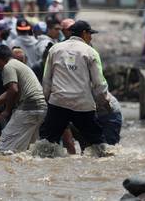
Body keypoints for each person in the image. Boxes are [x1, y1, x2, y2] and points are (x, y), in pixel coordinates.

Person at [40, 20, 110, 152]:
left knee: (46, 143)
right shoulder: (91, 52)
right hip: (82, 104)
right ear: (84, 33)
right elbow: (99, 83)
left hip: (58, 102)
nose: (91, 37)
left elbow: (46, 79)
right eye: (90, 34)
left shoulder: (55, 49)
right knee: (98, 144)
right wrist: (104, 101)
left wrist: (47, 98)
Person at [0, 45, 47, 153]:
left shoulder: (8, 67)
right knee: (29, 149)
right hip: (41, 107)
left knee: (5, 144)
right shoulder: (19, 65)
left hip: (29, 107)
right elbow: (10, 91)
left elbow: (13, 90)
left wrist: (6, 111)